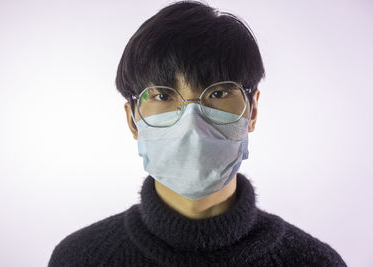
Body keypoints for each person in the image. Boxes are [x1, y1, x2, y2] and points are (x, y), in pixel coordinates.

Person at [48, 1, 347, 266]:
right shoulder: (80, 258)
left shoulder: (313, 261)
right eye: (163, 97)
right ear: (132, 120)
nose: (191, 122)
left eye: (217, 93)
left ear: (251, 110)